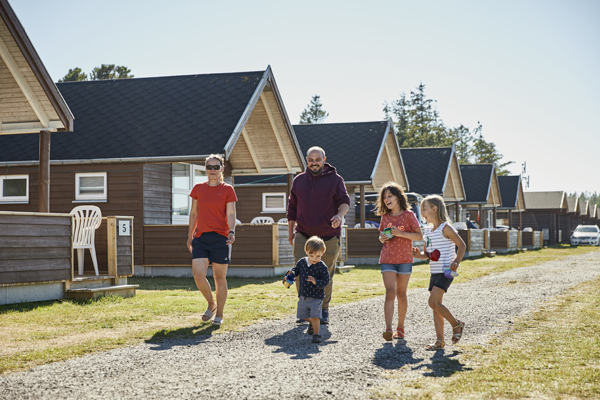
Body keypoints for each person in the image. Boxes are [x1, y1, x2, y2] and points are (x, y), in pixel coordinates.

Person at [287, 146, 350, 325]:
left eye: (318, 159)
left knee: (325, 274)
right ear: (306, 160)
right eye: (311, 159)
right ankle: (305, 309)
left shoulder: (336, 180)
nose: (314, 163)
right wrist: (290, 231)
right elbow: (291, 208)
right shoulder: (299, 181)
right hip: (303, 234)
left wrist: (339, 215)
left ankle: (322, 310)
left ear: (324, 159)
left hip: (328, 236)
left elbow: (344, 201)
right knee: (299, 272)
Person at [187, 154, 237, 326]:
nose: (213, 170)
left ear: (222, 169)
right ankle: (211, 304)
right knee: (198, 275)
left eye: (216, 167)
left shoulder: (227, 189)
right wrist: (189, 236)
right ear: (206, 169)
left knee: (219, 278)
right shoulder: (198, 189)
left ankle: (220, 314)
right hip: (201, 237)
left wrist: (231, 231)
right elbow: (193, 213)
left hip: (221, 237)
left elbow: (231, 213)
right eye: (210, 167)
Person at [411, 195, 466, 350]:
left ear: (434, 209)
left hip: (445, 271)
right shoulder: (427, 231)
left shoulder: (446, 228)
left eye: (424, 208)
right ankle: (440, 341)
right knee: (436, 306)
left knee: (433, 302)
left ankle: (457, 324)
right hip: (434, 272)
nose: (422, 212)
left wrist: (456, 262)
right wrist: (417, 255)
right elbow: (427, 255)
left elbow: (462, 246)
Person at [376, 182, 423, 341]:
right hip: (387, 259)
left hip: (404, 260)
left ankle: (400, 328)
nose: (386, 199)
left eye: (390, 196)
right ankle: (388, 329)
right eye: (384, 197)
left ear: (398, 197)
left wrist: (401, 233)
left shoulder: (409, 215)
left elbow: (419, 236)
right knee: (390, 293)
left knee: (401, 294)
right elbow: (382, 235)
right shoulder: (385, 217)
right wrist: (382, 238)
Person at [285, 236, 330, 343]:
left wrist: (316, 282)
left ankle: (316, 334)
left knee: (315, 316)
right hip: (303, 295)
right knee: (302, 316)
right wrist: (291, 273)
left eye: (318, 256)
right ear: (306, 252)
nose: (314, 258)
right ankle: (312, 324)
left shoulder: (322, 266)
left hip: (316, 297)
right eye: (311, 255)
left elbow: (326, 280)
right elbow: (296, 270)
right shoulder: (302, 262)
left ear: (322, 253)